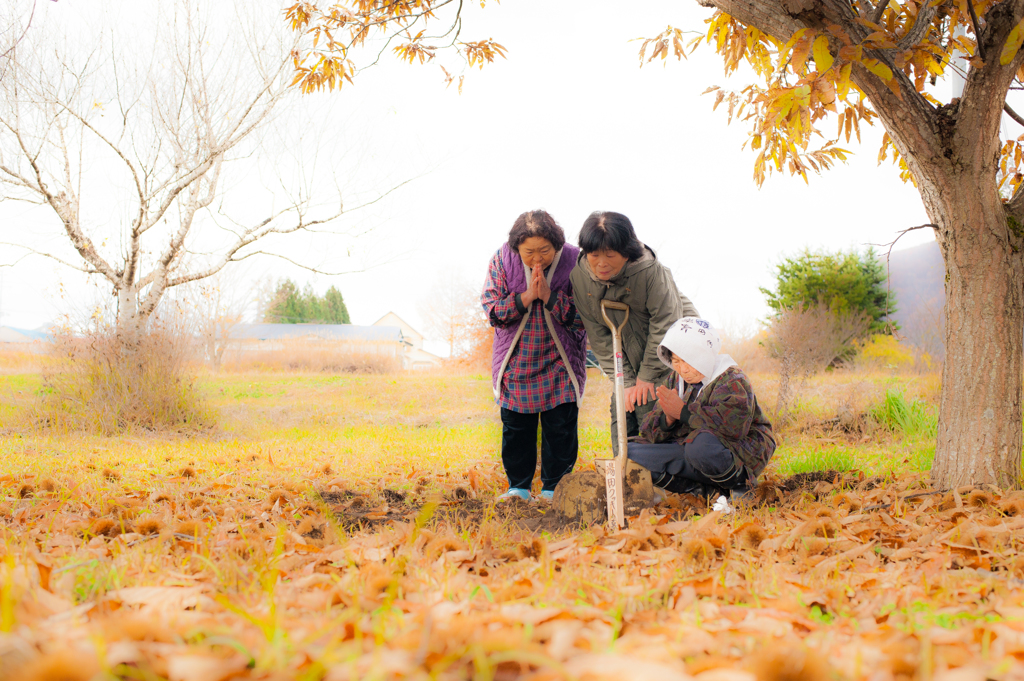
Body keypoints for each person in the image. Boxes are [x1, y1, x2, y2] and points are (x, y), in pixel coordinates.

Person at [569, 211, 699, 453]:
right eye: (594, 255)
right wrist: (626, 381)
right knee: (621, 405)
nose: (601, 263)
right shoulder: (580, 277)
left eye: (610, 255)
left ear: (626, 252)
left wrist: (646, 376)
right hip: (625, 348)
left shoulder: (649, 271)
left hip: (670, 348)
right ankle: (625, 477)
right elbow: (598, 336)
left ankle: (664, 477)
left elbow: (666, 322)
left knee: (650, 407)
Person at [482, 210, 588, 502]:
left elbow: (587, 315)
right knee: (516, 429)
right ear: (517, 248)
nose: (537, 259)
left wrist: (551, 298)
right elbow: (492, 310)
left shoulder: (576, 260)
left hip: (560, 360)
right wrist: (527, 297)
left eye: (545, 251)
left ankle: (555, 489)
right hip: (516, 361)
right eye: (529, 252)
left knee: (561, 427)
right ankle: (519, 488)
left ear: (558, 245)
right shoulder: (502, 259)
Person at [627, 317, 776, 498]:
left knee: (700, 447)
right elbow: (648, 432)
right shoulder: (676, 380)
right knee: (629, 451)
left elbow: (734, 429)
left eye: (688, 360)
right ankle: (702, 491)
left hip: (739, 451)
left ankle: (741, 484)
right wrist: (667, 419)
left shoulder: (732, 379)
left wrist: (682, 412)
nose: (683, 369)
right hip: (690, 447)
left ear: (703, 355)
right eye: (676, 361)